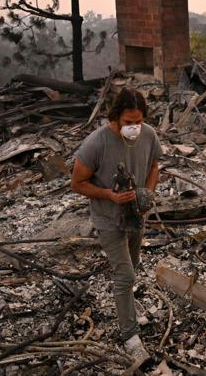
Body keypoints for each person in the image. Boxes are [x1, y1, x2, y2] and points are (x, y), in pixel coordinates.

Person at [71, 88, 162, 362]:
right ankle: (130, 335)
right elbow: (77, 183)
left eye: (138, 122)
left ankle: (127, 308)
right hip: (108, 219)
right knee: (125, 276)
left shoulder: (148, 135)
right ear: (115, 117)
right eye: (128, 123)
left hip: (136, 217)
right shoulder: (96, 143)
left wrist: (148, 192)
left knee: (132, 267)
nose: (134, 128)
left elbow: (155, 165)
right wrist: (110, 195)